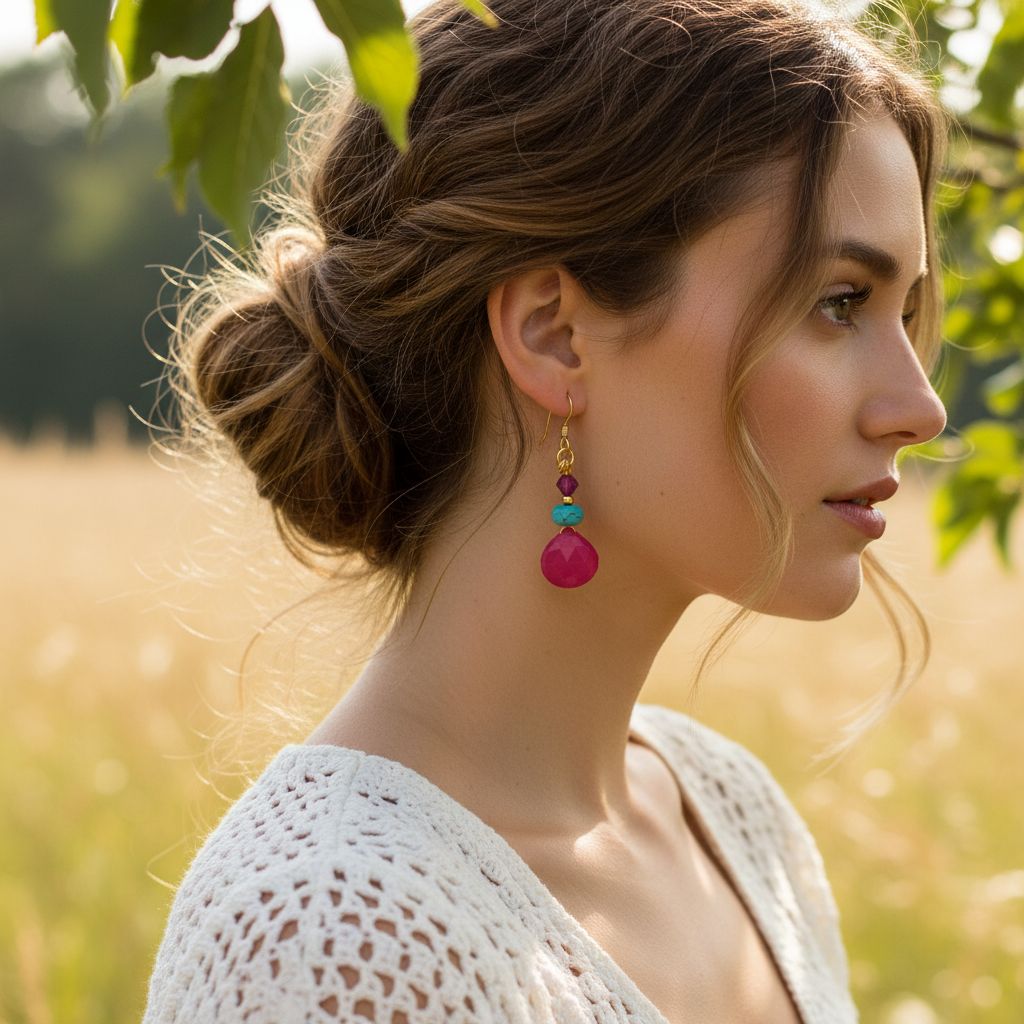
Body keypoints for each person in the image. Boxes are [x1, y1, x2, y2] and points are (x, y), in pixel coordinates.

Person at [142, 0, 950, 1020]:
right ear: (554, 336)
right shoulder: (334, 939)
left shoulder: (726, 813)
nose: (916, 407)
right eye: (839, 302)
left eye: (904, 310)